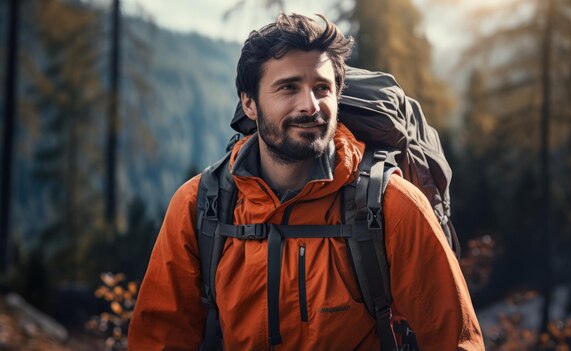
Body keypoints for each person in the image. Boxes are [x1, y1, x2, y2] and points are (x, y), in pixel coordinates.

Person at [128, 13, 484, 350]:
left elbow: (454, 340)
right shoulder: (200, 207)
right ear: (249, 103)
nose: (310, 105)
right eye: (288, 88)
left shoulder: (391, 206)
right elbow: (160, 338)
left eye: (322, 88)